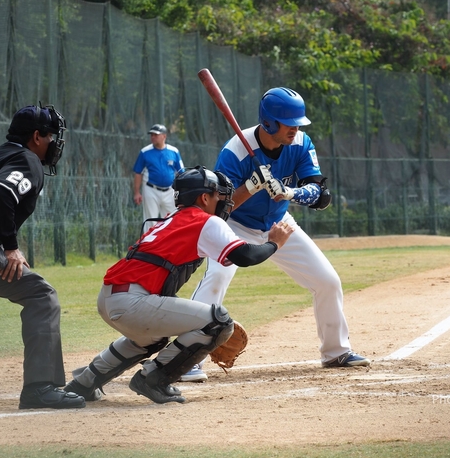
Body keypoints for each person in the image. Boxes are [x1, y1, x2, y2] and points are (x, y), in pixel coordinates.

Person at [63, 166, 294, 404]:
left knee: (150, 339)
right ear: (204, 198)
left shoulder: (173, 219)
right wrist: (274, 243)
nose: (223, 202)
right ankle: (153, 378)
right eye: (218, 196)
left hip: (110, 298)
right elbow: (245, 256)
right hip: (132, 302)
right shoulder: (204, 221)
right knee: (218, 323)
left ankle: (84, 383)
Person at [188, 87, 370, 383]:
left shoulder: (300, 142)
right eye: (289, 123)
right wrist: (250, 187)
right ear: (269, 122)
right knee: (217, 278)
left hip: (278, 225)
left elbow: (321, 194)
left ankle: (336, 351)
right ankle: (187, 360)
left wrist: (290, 193)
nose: (295, 129)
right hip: (235, 226)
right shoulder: (235, 151)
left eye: (298, 123)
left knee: (327, 281)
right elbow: (218, 208)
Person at [0, 104, 85, 409]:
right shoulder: (27, 159)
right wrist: (9, 246)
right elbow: (1, 191)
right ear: (36, 136)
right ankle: (39, 388)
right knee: (41, 296)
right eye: (51, 136)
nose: (53, 142)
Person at [133, 124, 184, 232]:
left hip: (170, 191)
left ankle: (170, 242)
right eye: (151, 135)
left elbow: (181, 172)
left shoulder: (173, 151)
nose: (153, 137)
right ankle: (149, 243)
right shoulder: (145, 152)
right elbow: (138, 172)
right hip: (151, 190)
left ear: (164, 136)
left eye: (156, 135)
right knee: (150, 221)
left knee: (172, 219)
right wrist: (137, 192)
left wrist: (182, 192)